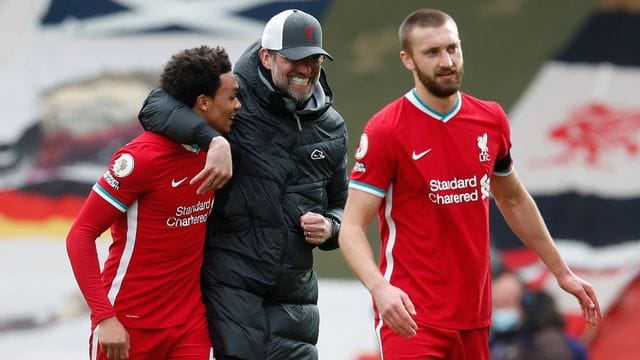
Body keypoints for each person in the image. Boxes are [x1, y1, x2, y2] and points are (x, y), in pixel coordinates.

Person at [338, 8, 601, 360]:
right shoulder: (387, 130)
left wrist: (561, 272)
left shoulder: (490, 120)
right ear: (408, 60)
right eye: (432, 53)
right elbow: (351, 227)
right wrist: (380, 289)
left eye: (452, 48)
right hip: (413, 319)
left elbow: (514, 200)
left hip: (475, 317)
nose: (447, 61)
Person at [137, 9, 348, 360]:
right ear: (266, 57)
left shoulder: (332, 126)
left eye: (313, 59)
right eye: (293, 59)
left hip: (295, 299)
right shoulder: (232, 95)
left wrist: (330, 227)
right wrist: (214, 140)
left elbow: (344, 204)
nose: (305, 69)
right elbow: (155, 107)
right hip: (228, 286)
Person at [66, 45, 241, 360]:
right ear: (203, 103)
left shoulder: (214, 152)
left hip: (189, 325)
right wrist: (105, 318)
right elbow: (80, 235)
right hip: (128, 326)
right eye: (231, 97)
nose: (239, 106)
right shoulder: (140, 159)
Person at [490, 271, 589, 360]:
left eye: (506, 303)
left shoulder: (549, 340)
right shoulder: (497, 339)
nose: (500, 311)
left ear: (526, 303)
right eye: (496, 305)